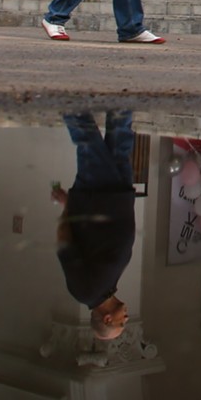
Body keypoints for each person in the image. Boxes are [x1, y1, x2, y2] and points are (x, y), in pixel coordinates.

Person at [53, 110, 138, 341]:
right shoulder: (108, 286)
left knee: (88, 140)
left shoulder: (85, 291)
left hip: (96, 197)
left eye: (122, 322)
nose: (127, 318)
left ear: (107, 319)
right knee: (121, 140)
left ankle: (67, 97)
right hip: (119, 196)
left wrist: (67, 206)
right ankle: (124, 94)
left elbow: (64, 245)